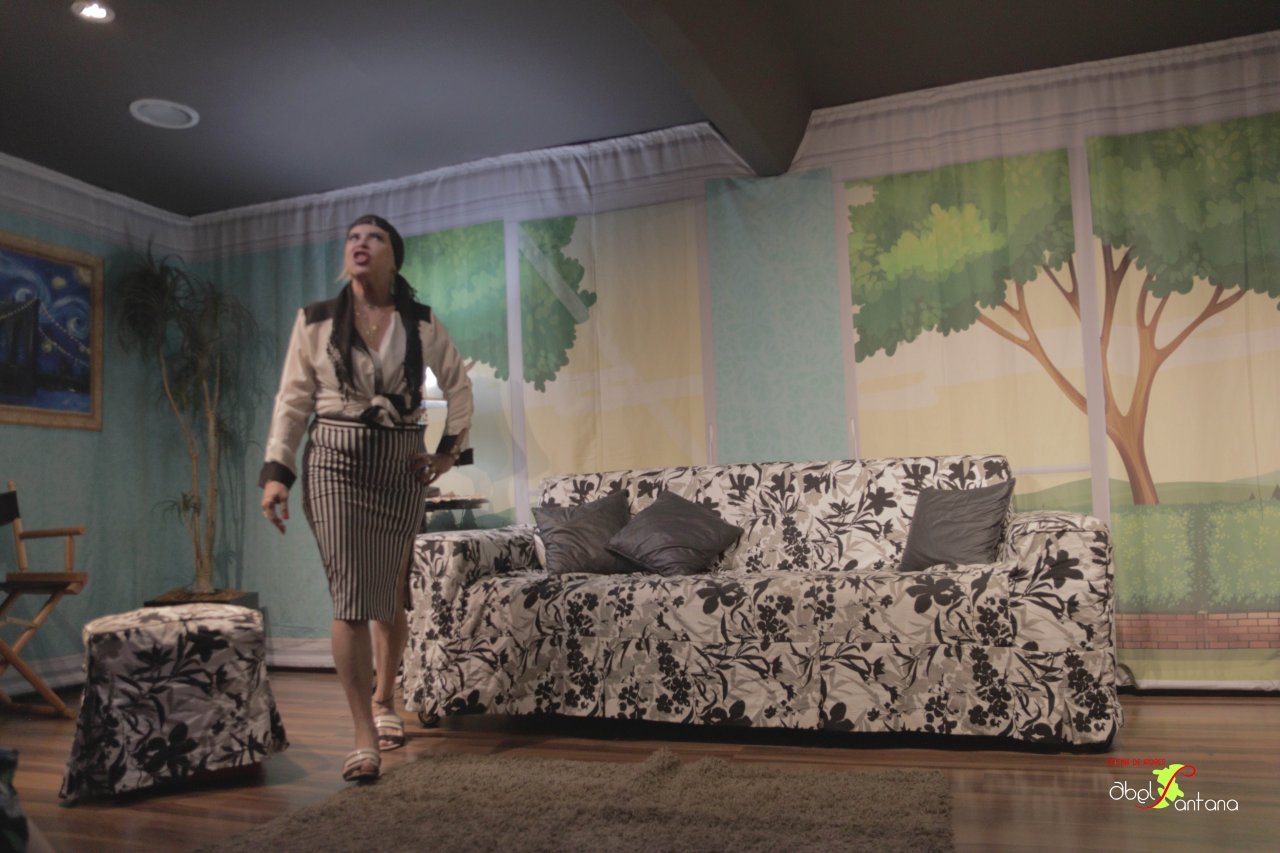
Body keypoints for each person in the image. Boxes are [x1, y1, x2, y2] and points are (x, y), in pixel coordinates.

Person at [259, 214, 473, 783]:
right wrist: (277, 470)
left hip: (400, 467)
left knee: (390, 591)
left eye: (374, 237)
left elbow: (458, 387)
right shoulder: (316, 320)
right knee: (351, 594)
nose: (360, 243)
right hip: (334, 461)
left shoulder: (421, 322)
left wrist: (448, 452)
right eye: (353, 237)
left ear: (393, 256)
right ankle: (363, 735)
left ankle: (385, 699)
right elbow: (292, 398)